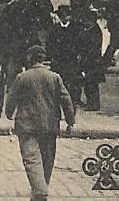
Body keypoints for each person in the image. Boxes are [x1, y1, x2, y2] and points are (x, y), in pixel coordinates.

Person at [5, 44, 76, 201]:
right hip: (49, 125)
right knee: (47, 158)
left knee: (31, 158)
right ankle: (41, 186)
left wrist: (9, 113)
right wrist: (70, 121)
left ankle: (40, 191)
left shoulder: (22, 77)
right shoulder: (55, 77)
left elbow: (12, 98)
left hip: (27, 125)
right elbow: (66, 100)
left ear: (30, 58)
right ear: (44, 59)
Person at [47, 5, 81, 110]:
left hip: (71, 61)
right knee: (57, 86)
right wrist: (53, 57)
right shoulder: (54, 29)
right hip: (58, 62)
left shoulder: (75, 28)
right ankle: (57, 109)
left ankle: (71, 108)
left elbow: (80, 44)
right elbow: (50, 45)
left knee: (72, 85)